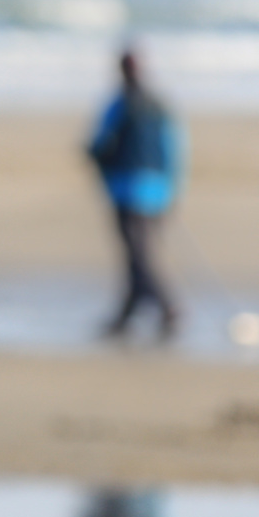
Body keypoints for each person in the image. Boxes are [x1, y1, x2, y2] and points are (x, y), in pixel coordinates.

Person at [87, 49, 185, 341]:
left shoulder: (120, 106)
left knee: (139, 257)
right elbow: (175, 151)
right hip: (156, 192)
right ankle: (125, 316)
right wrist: (173, 189)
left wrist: (95, 159)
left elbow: (99, 146)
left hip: (129, 191)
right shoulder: (160, 105)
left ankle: (168, 306)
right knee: (136, 255)